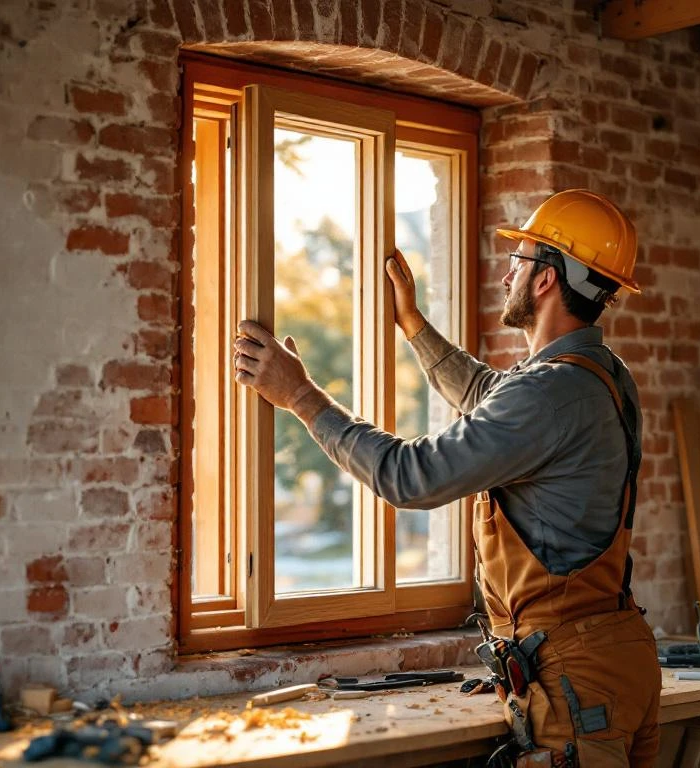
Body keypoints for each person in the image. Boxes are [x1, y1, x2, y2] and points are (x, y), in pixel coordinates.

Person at [233, 189, 661, 767]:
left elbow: (409, 477)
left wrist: (301, 397)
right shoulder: (603, 376)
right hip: (616, 661)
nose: (508, 270)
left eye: (523, 257)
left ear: (546, 280)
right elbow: (492, 397)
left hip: (574, 684)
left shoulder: (549, 393)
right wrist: (412, 324)